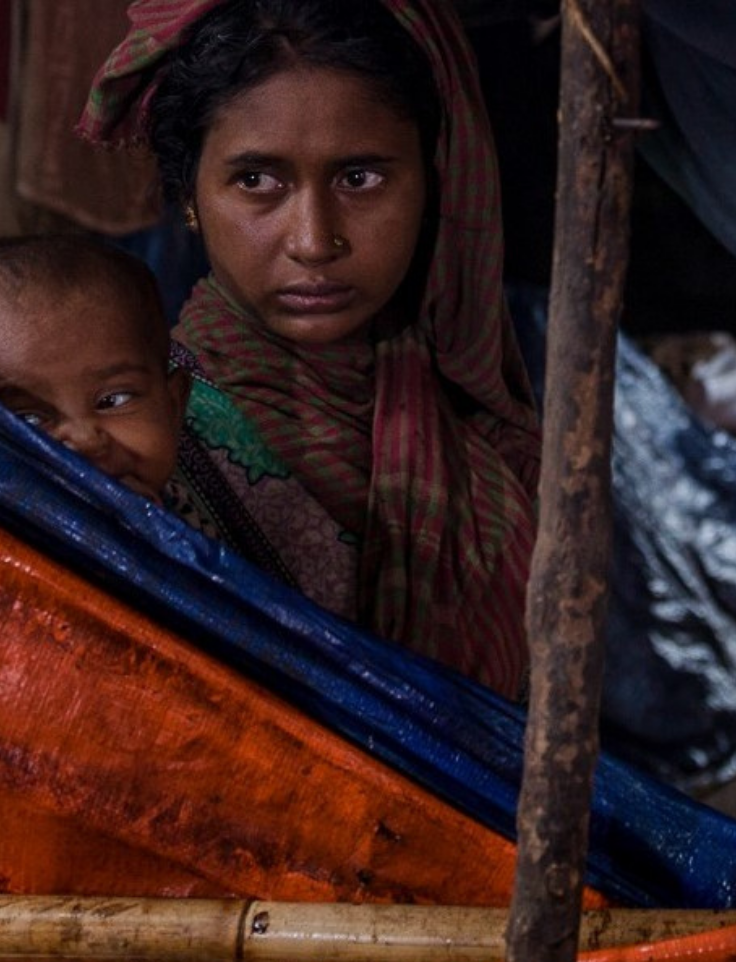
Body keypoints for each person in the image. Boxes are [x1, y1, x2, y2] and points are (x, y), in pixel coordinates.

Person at [78, 0, 542, 701]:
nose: (314, 241)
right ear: (190, 197)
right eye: (258, 181)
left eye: (360, 178)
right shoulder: (141, 446)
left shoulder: (486, 429)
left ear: (432, 181)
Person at [0, 233, 192, 509]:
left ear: (173, 405)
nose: (85, 441)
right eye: (28, 419)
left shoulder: (205, 527)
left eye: (114, 400)